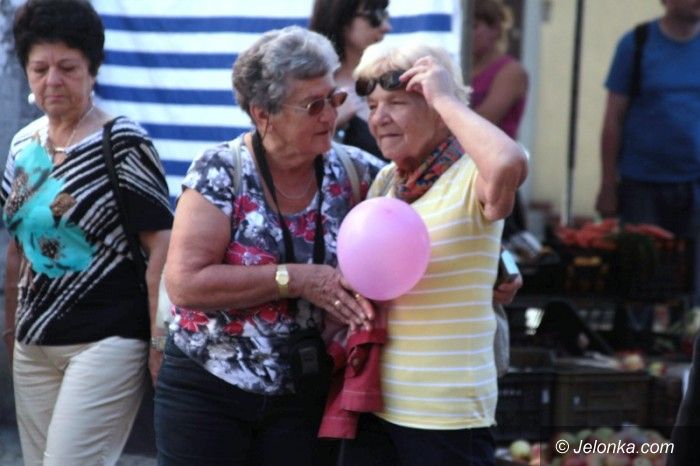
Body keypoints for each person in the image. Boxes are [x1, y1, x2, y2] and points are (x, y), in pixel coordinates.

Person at [156, 26, 384, 466]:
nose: (330, 115)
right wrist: (294, 280)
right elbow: (185, 284)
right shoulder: (221, 171)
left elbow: (431, 204)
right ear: (263, 115)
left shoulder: (357, 172)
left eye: (334, 98)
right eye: (313, 105)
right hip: (209, 389)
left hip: (305, 393)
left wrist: (501, 266)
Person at [339, 42, 528, 466]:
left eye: (397, 103)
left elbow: (508, 163)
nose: (379, 118)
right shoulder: (388, 182)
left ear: (439, 110)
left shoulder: (471, 173)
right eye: (373, 106)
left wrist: (445, 98)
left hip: (446, 416)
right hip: (377, 403)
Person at [3, 0, 173, 464]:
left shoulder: (124, 142)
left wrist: (159, 342)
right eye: (39, 69)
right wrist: (10, 330)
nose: (52, 81)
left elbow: (162, 247)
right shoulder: (22, 145)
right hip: (33, 344)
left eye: (67, 67)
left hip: (107, 340)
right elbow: (17, 246)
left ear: (92, 69)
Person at [593, 2, 700, 465]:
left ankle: (686, 370)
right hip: (641, 184)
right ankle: (634, 374)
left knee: (693, 286)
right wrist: (607, 183)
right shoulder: (636, 45)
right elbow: (613, 118)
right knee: (639, 282)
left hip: (696, 184)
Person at [471, 0, 528, 237]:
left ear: (495, 29)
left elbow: (485, 120)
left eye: (474, 26)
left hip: (495, 171)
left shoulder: (511, 71)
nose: (467, 33)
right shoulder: (458, 67)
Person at [309, 0, 391, 158]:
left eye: (385, 15)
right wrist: (331, 121)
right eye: (375, 16)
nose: (386, 27)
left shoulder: (391, 79)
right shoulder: (307, 85)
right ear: (342, 19)